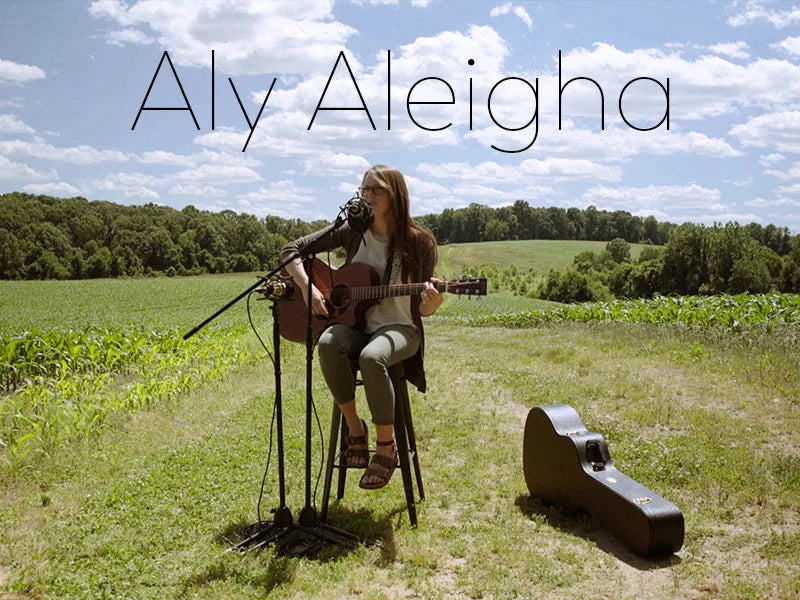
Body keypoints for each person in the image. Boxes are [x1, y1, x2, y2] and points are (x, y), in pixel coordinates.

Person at [280, 164, 443, 489]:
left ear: (395, 195)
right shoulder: (352, 231)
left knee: (372, 357)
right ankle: (356, 429)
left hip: (400, 328)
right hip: (356, 325)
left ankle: (386, 448)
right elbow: (290, 251)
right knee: (327, 342)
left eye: (375, 189)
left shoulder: (419, 242)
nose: (367, 196)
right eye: (364, 189)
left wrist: (431, 303)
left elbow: (423, 309)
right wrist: (307, 286)